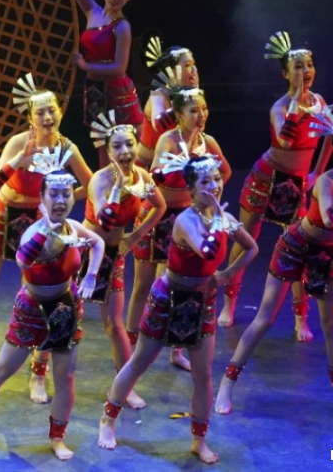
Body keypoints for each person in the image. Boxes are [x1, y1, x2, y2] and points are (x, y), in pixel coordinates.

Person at [215, 125, 333, 417]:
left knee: (331, 324)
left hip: (328, 253)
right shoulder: (326, 182)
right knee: (265, 319)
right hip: (295, 246)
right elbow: (330, 219)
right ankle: (227, 383)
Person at [98, 155, 256, 464]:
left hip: (201, 301)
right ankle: (108, 419)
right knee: (139, 361)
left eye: (217, 179)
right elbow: (207, 250)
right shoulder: (186, 220)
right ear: (192, 191)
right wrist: (219, 220)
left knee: (203, 375)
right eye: (206, 182)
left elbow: (252, 247)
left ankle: (199, 440)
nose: (215, 186)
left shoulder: (223, 217)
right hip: (169, 297)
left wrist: (226, 274)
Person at [0, 74, 93, 404]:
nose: (47, 117)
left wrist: (63, 200)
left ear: (60, 111)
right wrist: (20, 158)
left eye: (52, 110)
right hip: (5, 213)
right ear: (30, 118)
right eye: (40, 112)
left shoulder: (67, 148)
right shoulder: (20, 142)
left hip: (39, 221)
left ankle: (38, 371)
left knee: (39, 294)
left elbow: (91, 184)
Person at [0, 151, 103, 461]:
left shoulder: (72, 227)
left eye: (66, 194)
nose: (61, 200)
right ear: (42, 199)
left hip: (66, 306)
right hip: (33, 309)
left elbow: (98, 242)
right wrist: (46, 232)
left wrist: (92, 274)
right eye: (54, 194)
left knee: (65, 376)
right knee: (3, 370)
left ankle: (57, 438)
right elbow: (23, 261)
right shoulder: (34, 232)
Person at [219, 31, 333, 333]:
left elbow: (330, 136)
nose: (306, 70)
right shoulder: (280, 107)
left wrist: (316, 172)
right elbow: (285, 141)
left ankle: (300, 318)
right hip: (267, 177)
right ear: (285, 74)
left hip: (296, 184)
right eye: (298, 66)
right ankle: (229, 303)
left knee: (297, 248)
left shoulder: (320, 102)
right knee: (246, 238)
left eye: (309, 65)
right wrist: (296, 101)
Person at [129, 87, 230, 371]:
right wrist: (180, 168)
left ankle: (177, 349)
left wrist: (209, 197)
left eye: (204, 109)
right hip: (158, 216)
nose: (201, 115)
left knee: (179, 286)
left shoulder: (208, 142)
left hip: (186, 220)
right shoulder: (168, 139)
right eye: (194, 111)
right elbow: (156, 177)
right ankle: (132, 347)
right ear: (179, 115)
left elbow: (225, 171)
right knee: (143, 285)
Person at [79, 116, 164, 408]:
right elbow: (104, 220)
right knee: (65, 315)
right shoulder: (100, 180)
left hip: (114, 254)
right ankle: (38, 373)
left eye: (129, 144)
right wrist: (118, 189)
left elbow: (160, 206)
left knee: (115, 324)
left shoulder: (143, 177)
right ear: (108, 151)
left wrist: (136, 235)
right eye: (117, 146)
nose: (125, 151)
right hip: (86, 251)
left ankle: (125, 387)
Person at [58, 0, 144, 168]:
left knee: (123, 152)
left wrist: (85, 65)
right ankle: (104, 189)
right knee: (102, 148)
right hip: (95, 91)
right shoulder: (92, 11)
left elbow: (119, 68)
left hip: (117, 94)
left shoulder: (122, 26)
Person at [136, 37, 198, 169]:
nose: (194, 70)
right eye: (187, 65)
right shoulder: (158, 95)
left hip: (176, 162)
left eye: (194, 64)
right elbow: (158, 124)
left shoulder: (193, 98)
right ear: (173, 71)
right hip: (146, 167)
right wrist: (183, 106)